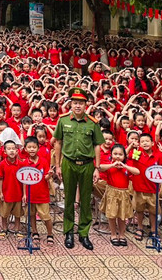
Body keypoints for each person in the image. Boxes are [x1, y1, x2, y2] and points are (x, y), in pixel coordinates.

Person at [52, 87, 105, 250]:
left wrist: (97, 168)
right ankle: (68, 231)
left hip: (87, 164)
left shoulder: (92, 122)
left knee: (85, 199)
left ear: (86, 105)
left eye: (81, 103)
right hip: (68, 163)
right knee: (68, 199)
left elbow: (97, 145)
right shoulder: (63, 120)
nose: (77, 106)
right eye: (75, 103)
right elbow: (58, 143)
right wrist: (58, 165)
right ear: (71, 104)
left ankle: (83, 233)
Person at [98, 144, 138, 246]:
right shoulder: (109, 165)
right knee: (112, 215)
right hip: (112, 193)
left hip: (124, 193)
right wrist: (112, 165)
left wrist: (124, 166)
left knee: (122, 215)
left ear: (125, 156)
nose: (118, 156)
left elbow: (137, 172)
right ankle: (113, 234)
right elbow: (100, 167)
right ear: (111, 155)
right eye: (115, 154)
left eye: (120, 154)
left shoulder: (127, 166)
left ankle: (122, 234)